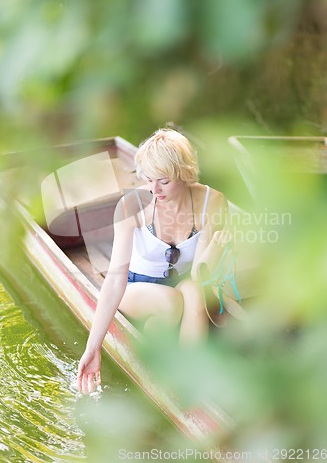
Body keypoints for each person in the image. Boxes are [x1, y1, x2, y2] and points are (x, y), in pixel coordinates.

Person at [77, 128, 227, 394]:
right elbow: (114, 280)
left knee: (191, 291)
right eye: (147, 179)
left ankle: (188, 381)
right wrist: (93, 346)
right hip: (136, 287)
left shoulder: (211, 202)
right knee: (170, 303)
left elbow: (198, 278)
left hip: (183, 284)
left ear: (184, 174)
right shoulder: (132, 206)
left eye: (163, 181)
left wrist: (213, 256)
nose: (153, 189)